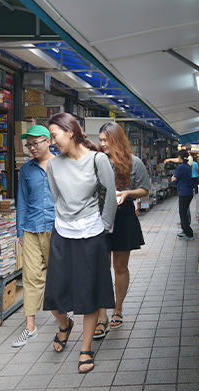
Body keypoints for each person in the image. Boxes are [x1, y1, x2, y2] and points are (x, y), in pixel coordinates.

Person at [43, 113, 117, 374]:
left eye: (54, 135)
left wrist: (102, 225)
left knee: (89, 294)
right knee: (53, 293)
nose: (53, 142)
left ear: (70, 132)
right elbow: (56, 197)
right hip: (63, 233)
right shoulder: (53, 165)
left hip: (92, 233)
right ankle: (65, 326)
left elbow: (108, 197)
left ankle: (85, 349)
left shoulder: (98, 160)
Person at [94, 122, 151, 339]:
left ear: (117, 140)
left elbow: (145, 189)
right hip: (98, 218)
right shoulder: (96, 161)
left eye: (106, 140)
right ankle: (102, 315)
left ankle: (117, 309)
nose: (102, 144)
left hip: (123, 216)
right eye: (100, 140)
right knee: (101, 267)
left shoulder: (133, 163)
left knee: (120, 266)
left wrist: (127, 193)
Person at [13, 125, 56, 348]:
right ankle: (30, 326)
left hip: (56, 228)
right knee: (30, 276)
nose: (31, 148)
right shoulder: (26, 170)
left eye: (35, 143)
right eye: (28, 144)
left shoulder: (62, 164)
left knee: (58, 275)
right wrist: (20, 232)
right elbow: (21, 201)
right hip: (31, 228)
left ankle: (63, 318)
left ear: (48, 141)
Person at [173, 150, 194, 240]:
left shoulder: (180, 167)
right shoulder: (188, 166)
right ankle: (185, 230)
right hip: (188, 192)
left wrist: (173, 179)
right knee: (184, 212)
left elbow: (175, 179)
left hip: (183, 192)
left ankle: (189, 232)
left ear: (180, 157)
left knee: (182, 213)